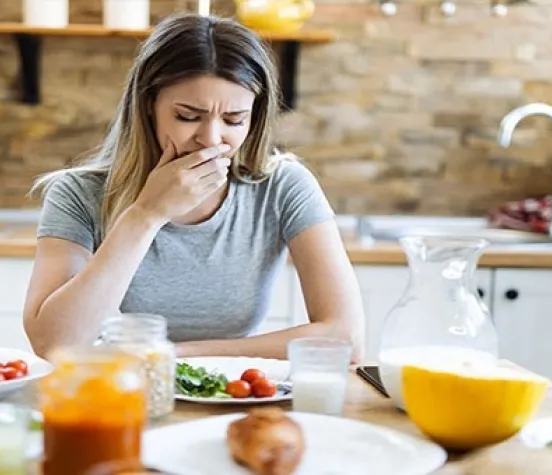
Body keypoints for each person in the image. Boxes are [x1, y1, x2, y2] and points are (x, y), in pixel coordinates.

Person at [23, 13, 365, 362]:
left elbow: (346, 337)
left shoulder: (282, 186)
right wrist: (146, 214)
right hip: (115, 397)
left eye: (234, 120)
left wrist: (172, 355)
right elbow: (55, 344)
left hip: (231, 395)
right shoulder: (76, 193)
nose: (211, 139)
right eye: (188, 116)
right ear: (147, 107)